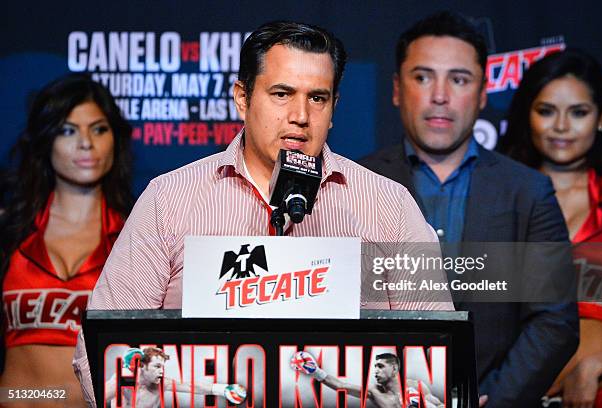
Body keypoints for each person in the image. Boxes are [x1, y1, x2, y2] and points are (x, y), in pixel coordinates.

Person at [73, 21, 453, 406]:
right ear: (243, 97)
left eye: (318, 98)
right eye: (282, 93)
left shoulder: (389, 207)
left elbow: (435, 358)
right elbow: (100, 354)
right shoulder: (169, 200)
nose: (301, 115)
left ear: (334, 107)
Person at [359, 11, 579, 407]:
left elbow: (554, 321)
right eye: (423, 77)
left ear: (481, 94)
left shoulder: (528, 191)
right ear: (396, 89)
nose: (439, 95)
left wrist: (489, 400)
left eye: (458, 79)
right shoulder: (352, 183)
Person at [0, 74, 133, 406]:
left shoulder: (136, 235)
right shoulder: (9, 232)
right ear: (46, 140)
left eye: (99, 129)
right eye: (68, 130)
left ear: (115, 139)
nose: (86, 142)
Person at [501, 49, 602, 408]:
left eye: (578, 112)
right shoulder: (499, 203)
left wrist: (598, 364)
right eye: (546, 111)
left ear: (601, 117)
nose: (562, 126)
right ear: (526, 117)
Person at [290, 351, 444, 407]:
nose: (376, 371)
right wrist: (316, 371)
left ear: (395, 369)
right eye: (375, 367)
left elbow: (441, 405)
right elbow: (340, 386)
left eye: (381, 366)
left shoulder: (416, 386)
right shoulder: (375, 393)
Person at [105, 347, 246, 407]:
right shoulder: (120, 382)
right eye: (157, 367)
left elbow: (190, 386)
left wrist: (222, 389)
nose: (161, 371)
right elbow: (96, 398)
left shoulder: (160, 383)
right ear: (141, 366)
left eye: (162, 367)